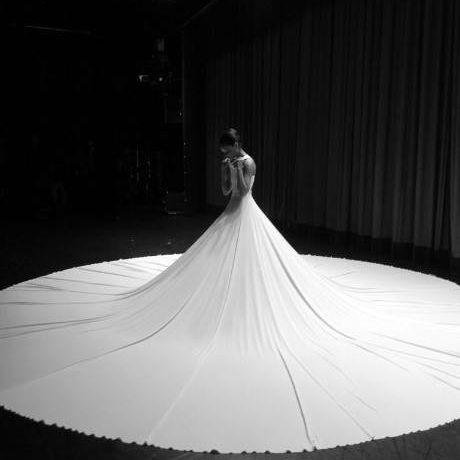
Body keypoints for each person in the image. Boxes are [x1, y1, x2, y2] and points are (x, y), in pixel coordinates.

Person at [0, 128, 460, 454]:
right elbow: (225, 194)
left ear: (237, 146)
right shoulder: (228, 163)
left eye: (229, 150)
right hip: (229, 218)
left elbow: (242, 194)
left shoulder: (249, 162)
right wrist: (224, 174)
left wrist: (237, 172)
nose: (226, 155)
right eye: (224, 152)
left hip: (247, 217)